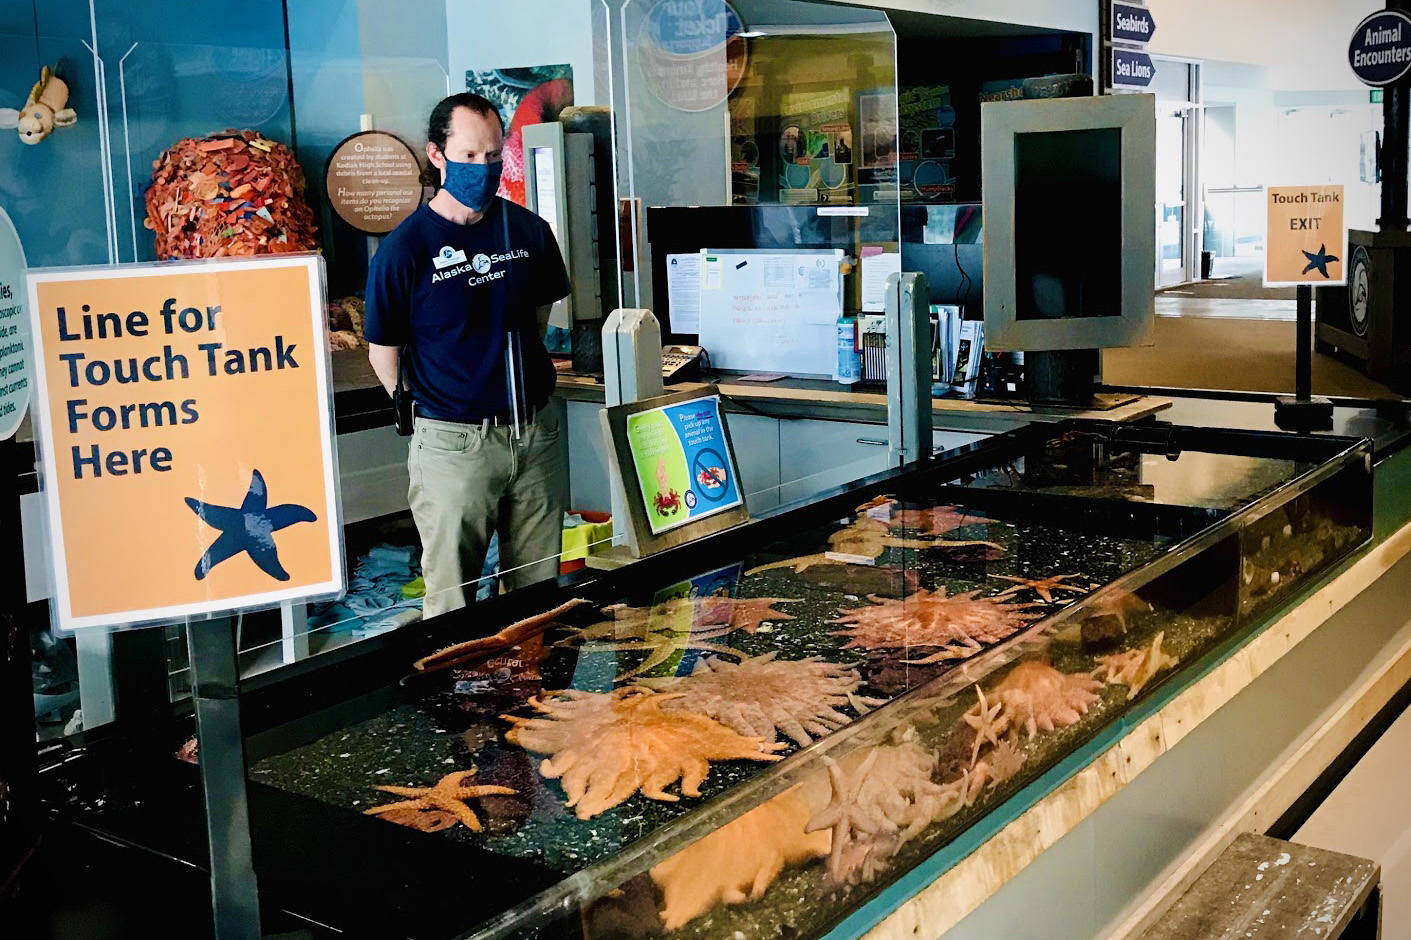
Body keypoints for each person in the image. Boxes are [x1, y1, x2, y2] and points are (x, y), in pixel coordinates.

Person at [364, 92, 570, 618]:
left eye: (493, 155)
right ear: (437, 156)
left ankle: (531, 696)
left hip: (535, 434)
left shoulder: (528, 232)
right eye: (470, 156)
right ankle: (454, 700)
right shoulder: (404, 251)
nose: (484, 168)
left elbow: (540, 316)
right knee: (453, 601)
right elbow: (383, 351)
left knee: (535, 597)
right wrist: (421, 408)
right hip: (454, 444)